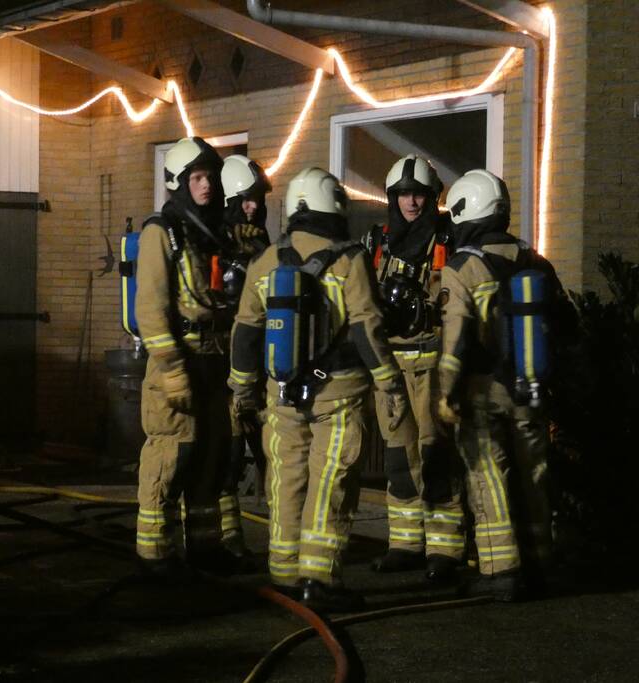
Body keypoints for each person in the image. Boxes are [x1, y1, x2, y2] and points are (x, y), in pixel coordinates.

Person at [229, 167, 408, 612]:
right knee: (331, 482)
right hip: (338, 393)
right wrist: (389, 382)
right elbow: (367, 328)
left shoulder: (265, 261)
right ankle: (320, 579)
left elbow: (245, 332)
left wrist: (242, 391)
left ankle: (284, 573)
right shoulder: (350, 260)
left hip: (281, 394)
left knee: (286, 478)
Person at [436, 169, 571, 600]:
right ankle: (541, 563)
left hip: (484, 392)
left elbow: (456, 338)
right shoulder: (537, 261)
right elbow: (567, 324)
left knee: (488, 477)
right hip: (532, 389)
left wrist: (445, 392)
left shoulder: (463, 268)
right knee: (535, 475)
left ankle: (500, 571)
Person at [134, 136, 247, 575]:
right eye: (197, 178)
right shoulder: (161, 232)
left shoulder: (215, 234)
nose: (206, 185)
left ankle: (205, 548)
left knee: (210, 459)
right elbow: (150, 309)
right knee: (171, 455)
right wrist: (172, 370)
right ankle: (155, 553)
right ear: (178, 183)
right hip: (180, 360)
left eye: (211, 177)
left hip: (215, 361)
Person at [363, 156, 465, 582]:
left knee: (435, 455)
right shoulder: (378, 241)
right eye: (404, 194)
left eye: (419, 194)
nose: (412, 202)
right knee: (398, 458)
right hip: (390, 369)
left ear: (431, 197)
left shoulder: (448, 239)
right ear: (392, 198)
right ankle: (405, 544)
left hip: (433, 365)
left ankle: (445, 548)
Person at [217, 154, 272, 556]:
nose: (253, 207)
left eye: (257, 200)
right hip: (224, 362)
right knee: (229, 453)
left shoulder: (261, 243)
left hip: (263, 362)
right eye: (246, 200)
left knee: (274, 450)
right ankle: (228, 536)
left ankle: (282, 538)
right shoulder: (212, 242)